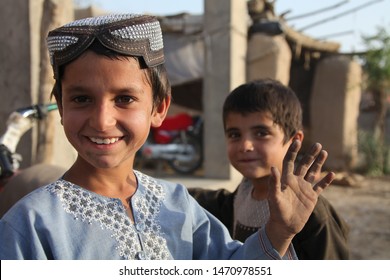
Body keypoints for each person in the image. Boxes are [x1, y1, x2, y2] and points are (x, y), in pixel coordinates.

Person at [0, 14, 335, 260]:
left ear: (159, 108)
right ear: (60, 106)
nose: (102, 121)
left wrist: (279, 231)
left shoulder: (177, 205)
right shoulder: (30, 225)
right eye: (81, 99)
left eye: (125, 99)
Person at [189, 79, 350, 259]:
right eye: (235, 135)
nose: (245, 145)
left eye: (261, 133)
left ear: (294, 140)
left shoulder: (309, 212)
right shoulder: (241, 196)